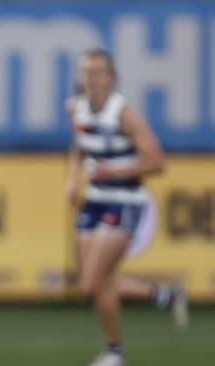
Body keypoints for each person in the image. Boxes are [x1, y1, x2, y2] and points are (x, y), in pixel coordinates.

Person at [65, 49, 189, 366]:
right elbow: (79, 144)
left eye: (96, 72)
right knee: (89, 284)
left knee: (95, 280)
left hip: (125, 200)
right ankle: (165, 296)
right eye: (85, 72)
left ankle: (115, 351)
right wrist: (73, 179)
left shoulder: (124, 114)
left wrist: (116, 171)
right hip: (94, 198)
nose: (90, 79)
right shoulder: (75, 107)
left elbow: (156, 161)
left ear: (110, 78)